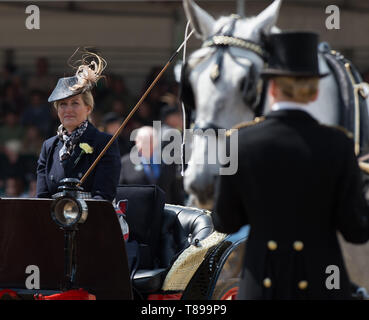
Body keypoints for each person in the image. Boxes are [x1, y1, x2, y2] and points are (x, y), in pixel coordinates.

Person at [213, 32, 369, 300]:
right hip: (323, 287)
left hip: (262, 286)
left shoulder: (236, 143)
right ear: (315, 90)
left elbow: (224, 221)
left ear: (271, 87)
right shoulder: (339, 145)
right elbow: (357, 231)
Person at [36, 51, 121, 201]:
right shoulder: (48, 147)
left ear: (88, 108)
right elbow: (42, 197)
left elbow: (103, 196)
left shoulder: (104, 143)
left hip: (92, 220)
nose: (68, 110)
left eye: (75, 103)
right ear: (57, 110)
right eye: (63, 104)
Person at [119, 126, 184, 205]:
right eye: (143, 139)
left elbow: (175, 190)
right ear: (136, 141)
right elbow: (120, 191)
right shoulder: (125, 163)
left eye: (150, 139)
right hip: (136, 211)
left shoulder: (167, 161)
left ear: (156, 141)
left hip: (165, 211)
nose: (147, 143)